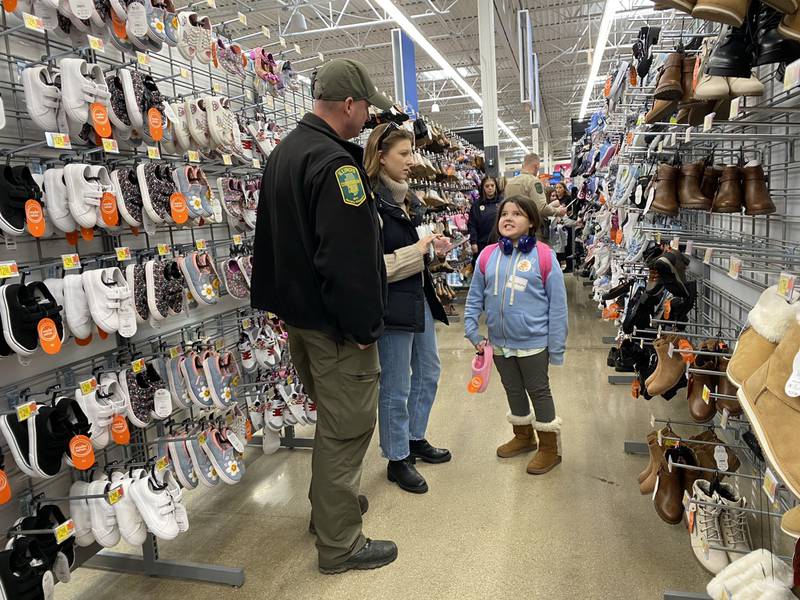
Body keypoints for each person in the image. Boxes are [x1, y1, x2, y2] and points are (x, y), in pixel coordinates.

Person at [250, 58, 397, 575]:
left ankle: (328, 512)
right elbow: (348, 261)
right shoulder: (336, 166)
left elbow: (269, 241)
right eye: (366, 110)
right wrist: (362, 327)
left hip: (301, 321)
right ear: (349, 105)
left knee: (332, 422)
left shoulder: (286, 152)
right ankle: (341, 545)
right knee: (348, 428)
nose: (368, 121)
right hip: (337, 327)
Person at [364, 123, 451, 495]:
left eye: (412, 153)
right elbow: (370, 268)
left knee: (429, 371)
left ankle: (415, 437)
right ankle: (397, 457)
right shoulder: (369, 204)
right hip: (392, 307)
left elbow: (414, 255)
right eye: (404, 154)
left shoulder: (408, 200)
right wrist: (416, 254)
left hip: (419, 298)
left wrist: (433, 253)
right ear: (381, 157)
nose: (412, 161)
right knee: (396, 385)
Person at [463, 195, 568, 475]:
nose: (508, 218)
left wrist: (555, 348)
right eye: (504, 214)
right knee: (512, 389)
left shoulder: (544, 257)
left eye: (517, 214)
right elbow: (474, 298)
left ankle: (549, 448)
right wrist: (472, 331)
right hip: (498, 344)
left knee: (539, 391)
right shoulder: (487, 256)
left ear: (532, 222)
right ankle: (523, 437)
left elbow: (558, 306)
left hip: (534, 343)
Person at [504, 153, 567, 230]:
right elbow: (541, 208)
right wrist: (558, 211)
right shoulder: (534, 182)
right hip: (530, 228)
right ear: (537, 166)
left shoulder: (510, 183)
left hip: (512, 227)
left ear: (523, 165)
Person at [468, 176, 502, 265]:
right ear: (483, 188)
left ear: (496, 187)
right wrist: (473, 242)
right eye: (487, 186)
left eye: (492, 185)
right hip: (482, 243)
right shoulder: (476, 205)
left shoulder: (503, 202)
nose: (490, 188)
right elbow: (472, 225)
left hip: (501, 242)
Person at [554, 182, 576, 272]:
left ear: (564, 188)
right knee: (558, 246)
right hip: (557, 225)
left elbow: (571, 212)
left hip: (566, 225)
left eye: (560, 187)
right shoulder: (555, 199)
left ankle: (569, 266)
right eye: (556, 187)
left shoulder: (568, 199)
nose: (558, 189)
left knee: (568, 245)